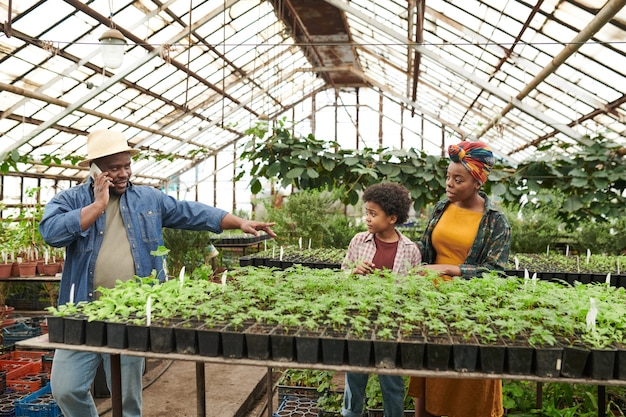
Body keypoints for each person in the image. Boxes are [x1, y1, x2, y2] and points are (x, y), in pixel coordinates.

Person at [39, 129, 276, 417]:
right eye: (115, 167)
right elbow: (51, 232)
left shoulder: (148, 199)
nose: (124, 173)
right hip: (81, 313)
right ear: (96, 169)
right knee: (66, 388)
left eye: (127, 165)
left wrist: (238, 222)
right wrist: (98, 205)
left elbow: (191, 213)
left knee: (126, 398)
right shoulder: (71, 199)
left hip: (133, 312)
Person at [408, 141, 511, 417]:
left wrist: (450, 270)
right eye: (448, 177)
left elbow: (496, 272)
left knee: (468, 381)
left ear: (477, 182)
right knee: (430, 374)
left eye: (458, 179)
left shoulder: (495, 220)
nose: (449, 184)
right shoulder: (442, 207)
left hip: (469, 312)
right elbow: (425, 249)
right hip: (431, 306)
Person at [341, 182, 421, 417]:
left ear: (392, 218)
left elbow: (415, 291)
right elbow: (342, 276)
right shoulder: (358, 241)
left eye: (373, 214)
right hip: (360, 322)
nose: (367, 218)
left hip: (392, 325)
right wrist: (353, 272)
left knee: (392, 381)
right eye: (366, 212)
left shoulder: (410, 250)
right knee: (354, 378)